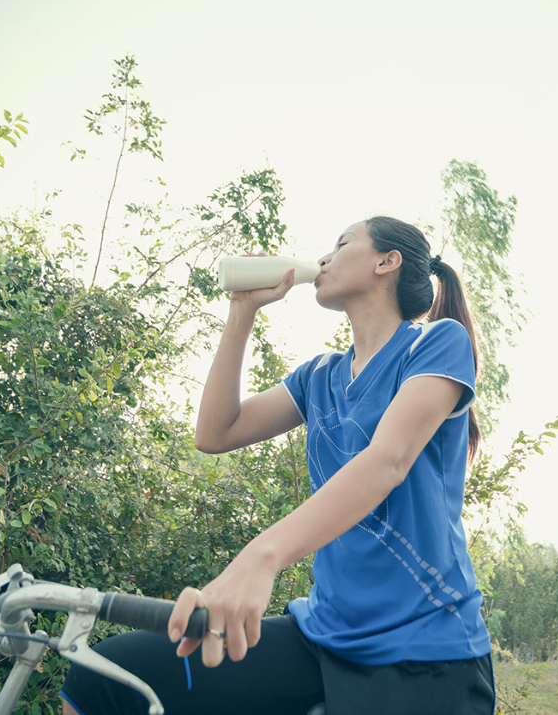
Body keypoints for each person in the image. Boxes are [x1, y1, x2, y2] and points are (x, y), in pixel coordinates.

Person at [61, 216, 496, 715]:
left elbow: (388, 460)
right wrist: (242, 311)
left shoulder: (435, 344)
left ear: (386, 261)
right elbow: (215, 433)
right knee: (102, 676)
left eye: (342, 242)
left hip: (427, 654)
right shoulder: (320, 377)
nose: (325, 257)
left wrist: (261, 557)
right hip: (323, 635)